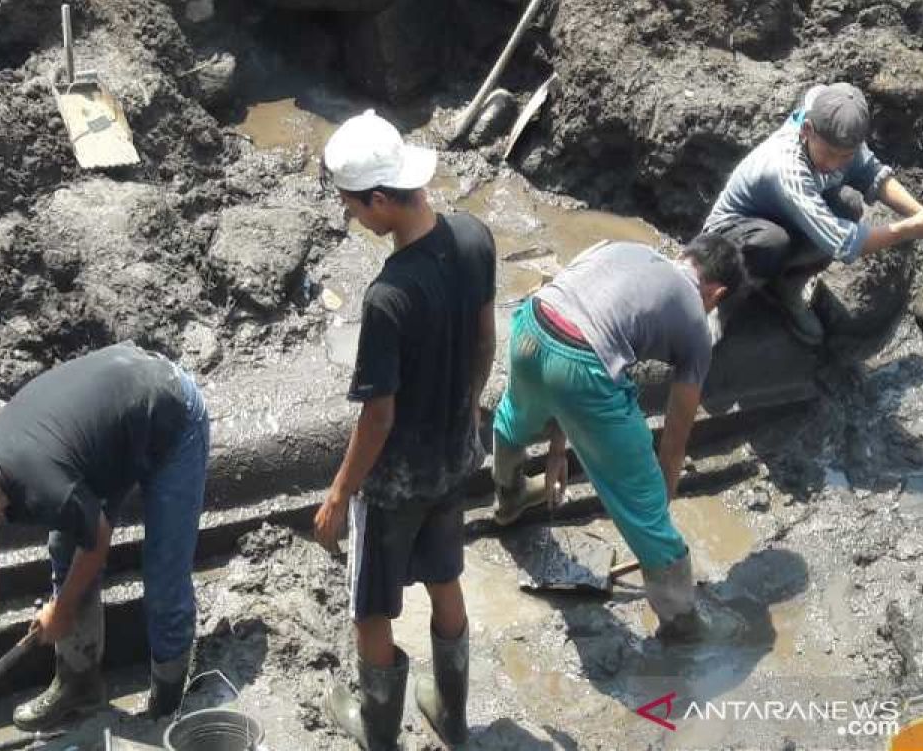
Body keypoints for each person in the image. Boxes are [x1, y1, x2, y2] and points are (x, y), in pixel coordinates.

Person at [0, 343, 210, 729]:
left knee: (164, 579)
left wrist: (61, 611)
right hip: (104, 437)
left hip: (168, 412)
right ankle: (79, 685)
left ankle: (169, 708)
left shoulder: (44, 488)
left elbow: (96, 541)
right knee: (65, 550)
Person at [313, 110, 496, 750]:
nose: (355, 218)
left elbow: (378, 415)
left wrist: (340, 492)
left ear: (382, 199)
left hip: (394, 483)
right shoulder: (474, 237)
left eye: (355, 208)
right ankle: (452, 714)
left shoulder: (387, 298)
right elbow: (484, 341)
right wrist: (467, 411)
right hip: (453, 456)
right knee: (445, 575)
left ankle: (377, 731)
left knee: (370, 607)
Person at [492, 236, 743, 640]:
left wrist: (559, 445)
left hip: (531, 325)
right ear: (717, 292)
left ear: (684, 257)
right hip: (580, 362)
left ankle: (509, 496)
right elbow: (677, 431)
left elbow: (565, 324)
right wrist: (660, 497)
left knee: (513, 419)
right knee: (644, 506)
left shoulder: (619, 247)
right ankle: (682, 622)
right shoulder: (697, 324)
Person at [702, 82, 923, 344]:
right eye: (828, 153)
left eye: (845, 156)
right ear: (807, 130)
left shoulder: (839, 128)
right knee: (771, 241)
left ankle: (785, 287)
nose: (834, 164)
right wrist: (915, 228)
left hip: (785, 217)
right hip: (730, 236)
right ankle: (721, 304)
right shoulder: (785, 168)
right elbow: (843, 243)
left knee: (848, 204)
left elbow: (873, 173)